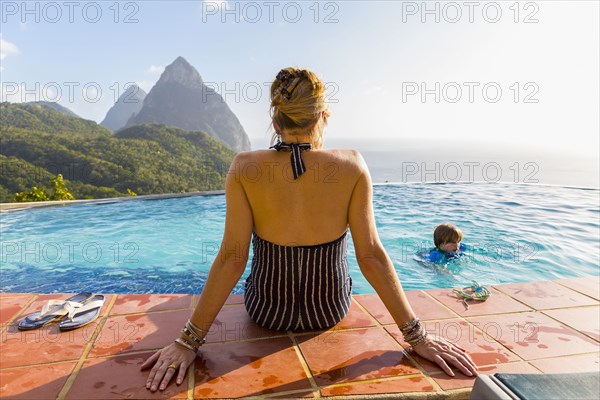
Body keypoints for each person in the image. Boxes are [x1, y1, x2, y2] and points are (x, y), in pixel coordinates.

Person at [141, 67, 478, 392]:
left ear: (276, 122)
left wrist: (188, 342)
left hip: (267, 311)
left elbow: (232, 258)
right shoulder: (352, 165)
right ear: (322, 118)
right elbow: (371, 256)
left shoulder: (245, 168)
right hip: (328, 310)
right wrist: (416, 337)